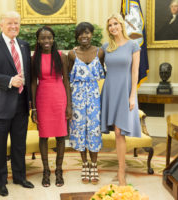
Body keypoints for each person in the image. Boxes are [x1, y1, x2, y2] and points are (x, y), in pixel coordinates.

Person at [0, 11, 34, 197]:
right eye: (10, 23)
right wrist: (10, 80)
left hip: (21, 103)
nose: (13, 26)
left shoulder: (24, 45)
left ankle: (20, 177)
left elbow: (28, 73)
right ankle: (1, 182)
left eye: (16, 23)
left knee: (20, 144)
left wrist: (31, 102)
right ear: (1, 24)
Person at [101, 13, 141, 186]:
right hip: (110, 91)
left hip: (125, 92)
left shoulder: (133, 45)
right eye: (110, 25)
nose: (113, 27)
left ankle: (121, 171)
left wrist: (132, 95)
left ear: (122, 25)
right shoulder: (105, 47)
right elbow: (96, 67)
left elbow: (135, 72)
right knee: (116, 132)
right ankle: (120, 169)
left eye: (115, 24)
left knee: (119, 132)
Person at [31, 26, 71, 187]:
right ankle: (46, 171)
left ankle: (59, 171)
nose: (46, 41)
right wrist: (33, 108)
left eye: (49, 38)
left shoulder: (62, 56)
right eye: (43, 38)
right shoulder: (35, 58)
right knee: (44, 136)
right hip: (43, 98)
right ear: (38, 40)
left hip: (59, 97)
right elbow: (33, 83)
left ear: (53, 39)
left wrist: (69, 104)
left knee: (61, 136)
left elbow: (66, 81)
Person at [68, 22, 105, 185]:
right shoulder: (71, 54)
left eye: (87, 33)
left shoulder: (100, 52)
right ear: (77, 36)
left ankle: (94, 165)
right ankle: (84, 164)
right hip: (77, 98)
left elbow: (104, 75)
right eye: (81, 33)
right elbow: (67, 78)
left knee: (94, 130)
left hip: (95, 98)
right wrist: (69, 103)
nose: (84, 36)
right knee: (80, 130)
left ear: (92, 34)